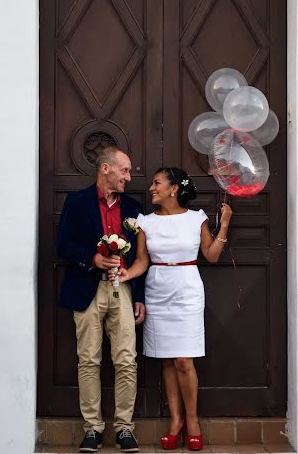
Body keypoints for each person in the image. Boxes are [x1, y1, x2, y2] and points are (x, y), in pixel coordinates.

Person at [109, 167, 232, 451]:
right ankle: (175, 421)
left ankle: (192, 420)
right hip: (157, 289)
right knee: (166, 359)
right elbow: (141, 260)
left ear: (174, 188)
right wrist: (128, 274)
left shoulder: (195, 219)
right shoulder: (145, 222)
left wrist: (224, 224)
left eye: (157, 183)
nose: (151, 188)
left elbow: (211, 256)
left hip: (187, 290)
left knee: (183, 361)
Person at [57, 146, 145, 453]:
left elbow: (144, 255)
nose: (128, 177)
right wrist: (92, 259)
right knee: (89, 360)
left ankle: (124, 429)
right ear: (105, 169)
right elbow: (63, 246)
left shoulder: (134, 207)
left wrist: (140, 296)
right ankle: (92, 429)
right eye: (124, 170)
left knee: (126, 360)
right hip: (86, 289)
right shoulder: (77, 202)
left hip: (123, 289)